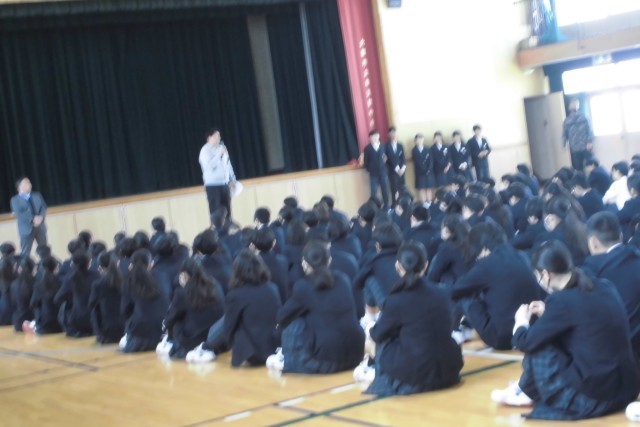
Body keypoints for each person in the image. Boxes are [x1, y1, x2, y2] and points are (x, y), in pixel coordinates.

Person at [492, 240, 640, 420]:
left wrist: (521, 321)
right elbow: (582, 321)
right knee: (548, 335)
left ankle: (523, 391)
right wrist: (548, 314)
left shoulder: (561, 301)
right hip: (626, 390)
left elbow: (524, 342)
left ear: (545, 274)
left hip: (594, 399)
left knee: (540, 343)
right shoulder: (604, 285)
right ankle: (522, 389)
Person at [358, 242, 463, 396]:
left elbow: (377, 335)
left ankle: (373, 370)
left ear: (398, 267)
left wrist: (370, 327)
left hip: (417, 372)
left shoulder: (396, 299)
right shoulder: (442, 292)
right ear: (426, 265)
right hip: (450, 368)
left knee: (372, 341)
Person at [267, 242, 364, 374]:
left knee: (296, 323)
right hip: (356, 355)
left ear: (304, 264)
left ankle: (288, 359)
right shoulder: (343, 279)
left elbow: (282, 317)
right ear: (329, 260)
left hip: (327, 361)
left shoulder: (303, 286)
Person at [451, 222, 542, 350]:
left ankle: (456, 333)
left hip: (502, 339)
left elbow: (455, 290)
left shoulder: (486, 264)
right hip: (529, 331)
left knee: (465, 295)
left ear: (483, 249)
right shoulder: (521, 255)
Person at [583, 212, 640, 357]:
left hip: (613, 350)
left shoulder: (590, 270)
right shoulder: (636, 255)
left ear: (593, 241)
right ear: (620, 236)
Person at [160, 259, 224, 359]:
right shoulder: (215, 285)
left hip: (194, 341)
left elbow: (170, 319)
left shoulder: (182, 292)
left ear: (184, 275)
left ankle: (172, 343)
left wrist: (165, 326)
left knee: (176, 322)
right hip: (216, 338)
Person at [120, 249, 169, 353]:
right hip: (163, 329)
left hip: (139, 332)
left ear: (131, 265)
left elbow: (125, 310)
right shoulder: (163, 276)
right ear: (151, 263)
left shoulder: (129, 280)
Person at [54, 251, 99, 337]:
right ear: (88, 263)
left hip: (77, 322)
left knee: (65, 305)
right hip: (95, 320)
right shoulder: (96, 275)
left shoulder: (70, 278)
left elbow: (58, 298)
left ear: (72, 264)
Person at [199, 128, 237, 217]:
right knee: (216, 211)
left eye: (219, 136)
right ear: (209, 138)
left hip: (225, 184)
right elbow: (209, 167)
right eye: (216, 136)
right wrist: (219, 154)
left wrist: (232, 179)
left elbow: (228, 164)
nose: (219, 138)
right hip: (213, 185)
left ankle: (228, 224)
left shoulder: (221, 148)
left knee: (227, 210)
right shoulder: (205, 150)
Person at [88, 252, 125, 344]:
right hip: (125, 329)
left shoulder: (98, 284)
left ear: (100, 267)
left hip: (107, 331)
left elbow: (91, 304)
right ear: (118, 263)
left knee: (95, 308)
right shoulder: (126, 281)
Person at [10, 177, 47, 258]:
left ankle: (45, 265)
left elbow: (43, 207)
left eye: (29, 183)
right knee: (25, 253)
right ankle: (25, 265)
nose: (29, 185)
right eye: (26, 183)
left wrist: (40, 217)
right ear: (19, 187)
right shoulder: (15, 199)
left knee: (44, 250)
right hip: (26, 229)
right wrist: (33, 219)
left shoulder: (37, 195)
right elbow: (19, 213)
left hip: (40, 227)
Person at [27, 256, 63, 334]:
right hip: (60, 324)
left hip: (44, 325)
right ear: (56, 268)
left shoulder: (38, 285)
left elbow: (33, 303)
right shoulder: (61, 282)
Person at [562, 99, 594, 171]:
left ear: (578, 106)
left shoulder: (584, 117)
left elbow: (590, 130)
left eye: (576, 104)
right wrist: (564, 144)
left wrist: (589, 142)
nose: (574, 106)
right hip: (575, 148)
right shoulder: (567, 120)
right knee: (579, 169)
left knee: (591, 165)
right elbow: (565, 134)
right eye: (572, 104)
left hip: (585, 146)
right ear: (569, 107)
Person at [363, 130, 390, 210]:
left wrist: (385, 162)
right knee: (373, 192)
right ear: (369, 138)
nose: (375, 138)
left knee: (385, 190)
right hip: (373, 174)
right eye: (372, 136)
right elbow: (366, 161)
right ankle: (374, 208)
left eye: (376, 136)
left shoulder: (383, 146)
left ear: (379, 136)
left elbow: (388, 158)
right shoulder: (367, 148)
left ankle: (386, 207)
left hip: (383, 172)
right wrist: (369, 169)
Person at [11, 257, 36, 332]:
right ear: (33, 269)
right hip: (32, 320)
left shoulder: (13, 284)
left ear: (19, 269)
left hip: (17, 321)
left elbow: (13, 303)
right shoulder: (35, 282)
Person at [385, 126, 407, 207]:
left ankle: (403, 204)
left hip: (401, 171)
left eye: (394, 133)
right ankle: (395, 205)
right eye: (391, 133)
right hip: (392, 171)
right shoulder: (386, 146)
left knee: (402, 187)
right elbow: (388, 159)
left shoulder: (400, 145)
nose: (393, 135)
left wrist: (403, 168)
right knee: (394, 189)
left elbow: (403, 157)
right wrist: (397, 169)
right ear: (389, 135)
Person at [411, 133, 435, 204]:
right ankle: (424, 204)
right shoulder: (414, 150)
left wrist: (429, 169)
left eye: (421, 138)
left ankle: (429, 203)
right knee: (421, 188)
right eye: (418, 139)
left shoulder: (428, 148)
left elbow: (431, 160)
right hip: (419, 172)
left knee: (429, 188)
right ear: (415, 141)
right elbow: (417, 161)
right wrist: (424, 170)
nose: (420, 140)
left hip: (429, 172)